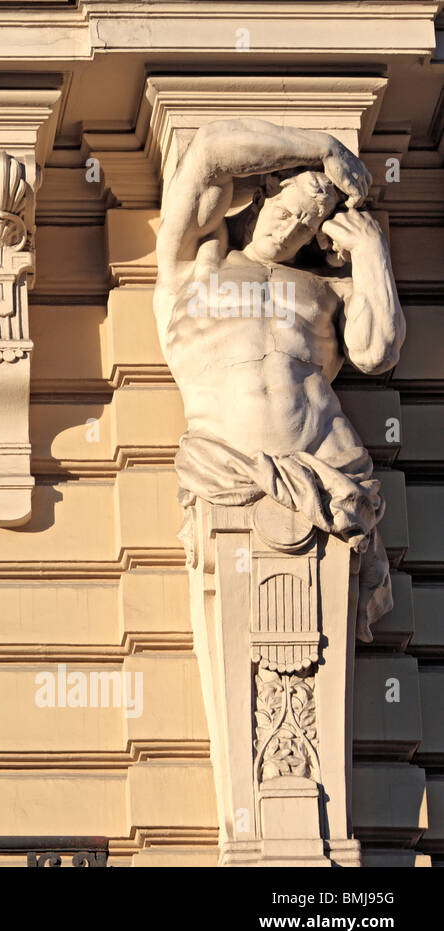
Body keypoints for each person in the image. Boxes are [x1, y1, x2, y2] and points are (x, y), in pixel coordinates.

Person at [154, 119, 406, 641]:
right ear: (264, 193)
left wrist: (369, 252)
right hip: (225, 465)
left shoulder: (325, 289)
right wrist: (323, 148)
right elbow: (207, 153)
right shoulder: (197, 263)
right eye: (286, 211)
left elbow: (378, 352)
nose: (289, 229)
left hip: (326, 462)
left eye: (306, 225)